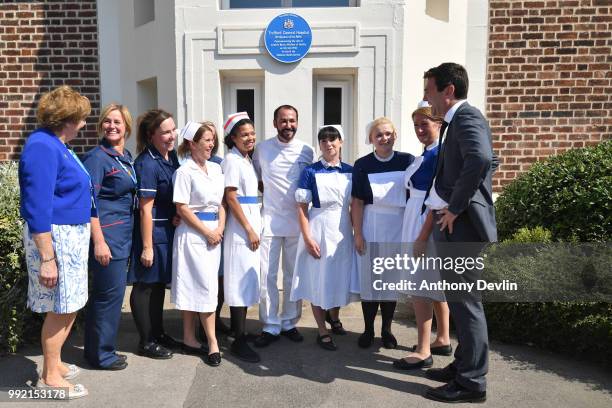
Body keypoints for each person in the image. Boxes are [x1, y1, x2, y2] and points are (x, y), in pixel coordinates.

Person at [422, 62, 497, 403]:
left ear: (448, 90)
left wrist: (455, 206)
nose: (427, 98)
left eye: (429, 90)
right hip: (454, 224)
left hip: (462, 225)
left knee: (466, 305)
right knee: (459, 300)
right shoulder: (455, 122)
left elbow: (480, 158)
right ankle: (462, 365)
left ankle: (471, 382)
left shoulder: (467, 118)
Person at [19, 85, 92, 398]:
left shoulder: (58, 144)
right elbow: (37, 205)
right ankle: (49, 376)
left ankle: (55, 361)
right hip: (56, 241)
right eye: (81, 118)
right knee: (61, 307)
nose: (85, 124)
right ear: (67, 118)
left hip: (69, 239)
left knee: (70, 303)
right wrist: (47, 258)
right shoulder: (42, 146)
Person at [392, 102, 451, 371]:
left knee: (420, 286)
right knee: (433, 283)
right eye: (416, 125)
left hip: (424, 220)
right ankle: (443, 338)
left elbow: (436, 200)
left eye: (424, 124)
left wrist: (422, 235)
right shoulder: (428, 153)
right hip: (417, 216)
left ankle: (423, 349)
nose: (419, 130)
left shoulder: (439, 155)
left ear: (438, 124)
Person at [252, 105, 314, 347]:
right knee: (267, 275)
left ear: (297, 122)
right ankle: (270, 325)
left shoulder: (307, 150)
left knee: (292, 276)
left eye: (292, 121)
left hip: (297, 222)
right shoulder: (263, 149)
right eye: (283, 121)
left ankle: (289, 322)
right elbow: (257, 179)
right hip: (269, 220)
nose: (288, 125)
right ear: (275, 123)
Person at [351, 117, 415, 349]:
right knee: (371, 282)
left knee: (390, 282)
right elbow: (357, 201)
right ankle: (368, 329)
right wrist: (358, 233)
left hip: (398, 226)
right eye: (379, 135)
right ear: (371, 139)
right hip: (372, 225)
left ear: (395, 135)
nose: (384, 138)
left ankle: (386, 329)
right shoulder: (362, 164)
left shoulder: (407, 161)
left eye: (388, 134)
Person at [290, 125, 356, 351]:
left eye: (332, 139)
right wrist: (307, 238)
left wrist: (358, 233)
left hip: (342, 230)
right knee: (318, 279)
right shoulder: (310, 171)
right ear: (319, 145)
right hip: (318, 227)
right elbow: (300, 207)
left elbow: (355, 206)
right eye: (323, 140)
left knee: (339, 277)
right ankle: (322, 330)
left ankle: (334, 318)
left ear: (341, 142)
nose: (328, 144)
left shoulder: (351, 170)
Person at [82, 104, 136, 371]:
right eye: (107, 122)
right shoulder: (97, 158)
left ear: (127, 126)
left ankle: (101, 348)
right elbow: (88, 202)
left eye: (117, 122)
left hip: (123, 237)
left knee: (112, 296)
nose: (112, 126)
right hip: (108, 238)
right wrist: (99, 242)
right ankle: (101, 355)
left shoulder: (124, 156)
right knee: (107, 297)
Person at [171, 121, 225, 367]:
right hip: (193, 235)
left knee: (203, 285)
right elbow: (182, 207)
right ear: (192, 144)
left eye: (213, 140)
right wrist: (206, 232)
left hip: (214, 234)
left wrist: (219, 229)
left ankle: (189, 338)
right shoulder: (184, 171)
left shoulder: (215, 169)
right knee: (201, 286)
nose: (211, 144)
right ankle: (212, 342)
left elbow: (221, 204)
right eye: (206, 140)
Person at [129, 109, 181, 359]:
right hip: (151, 233)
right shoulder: (147, 163)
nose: (172, 136)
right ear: (152, 135)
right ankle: (146, 341)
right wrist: (147, 247)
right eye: (165, 132)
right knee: (145, 286)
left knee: (159, 285)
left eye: (173, 130)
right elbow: (145, 210)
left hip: (167, 230)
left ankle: (158, 333)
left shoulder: (170, 158)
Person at [221, 112, 262, 362]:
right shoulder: (232, 161)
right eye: (244, 134)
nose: (250, 138)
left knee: (247, 281)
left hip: (251, 223)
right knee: (238, 282)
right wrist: (247, 228)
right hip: (240, 230)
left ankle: (242, 332)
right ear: (233, 138)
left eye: (252, 133)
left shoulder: (246, 159)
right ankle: (238, 339)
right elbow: (231, 197)